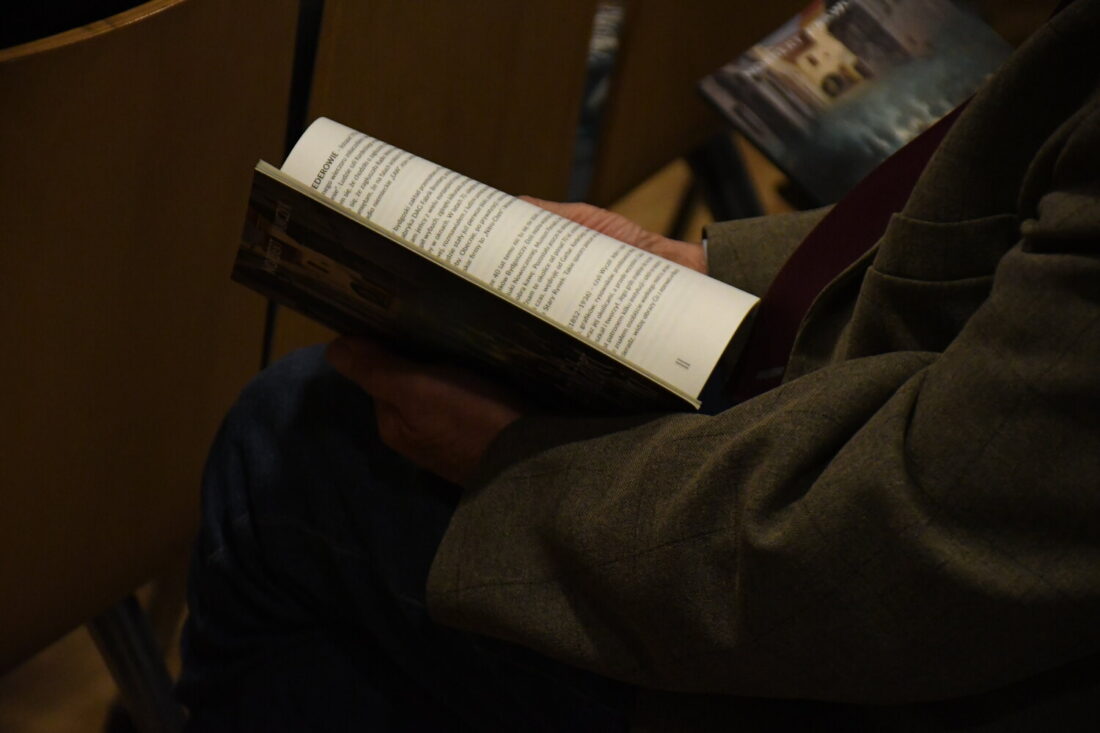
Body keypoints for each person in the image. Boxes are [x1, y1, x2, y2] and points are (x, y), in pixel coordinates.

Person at [178, 1, 1100, 730]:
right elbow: (1020, 227)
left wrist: (517, 473)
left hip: (914, 656)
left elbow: (908, 544)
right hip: (890, 470)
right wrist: (700, 267)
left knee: (293, 445)